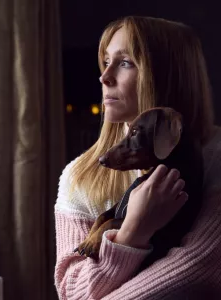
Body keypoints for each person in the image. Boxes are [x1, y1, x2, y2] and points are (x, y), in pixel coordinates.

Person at [54, 16, 221, 299]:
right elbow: (72, 291)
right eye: (106, 61)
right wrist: (133, 231)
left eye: (125, 62)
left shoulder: (216, 157)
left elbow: (200, 266)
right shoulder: (79, 175)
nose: (104, 77)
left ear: (169, 73)